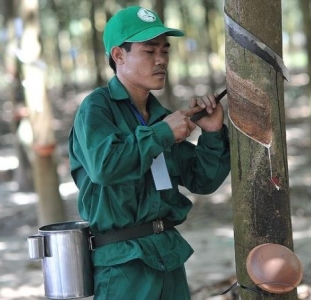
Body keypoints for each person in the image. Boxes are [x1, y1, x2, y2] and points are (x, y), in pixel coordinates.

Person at [68, 6, 230, 300]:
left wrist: (213, 132)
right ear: (119, 56)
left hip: (167, 256)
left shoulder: (159, 116)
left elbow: (202, 181)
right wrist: (163, 134)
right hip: (123, 264)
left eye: (165, 51)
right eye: (149, 51)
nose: (161, 60)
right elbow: (105, 167)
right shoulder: (97, 108)